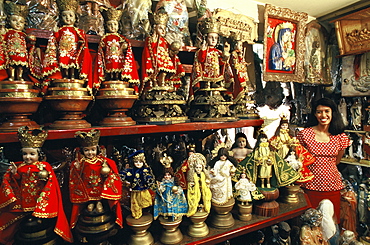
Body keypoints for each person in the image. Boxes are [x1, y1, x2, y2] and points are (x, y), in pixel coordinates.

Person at [0, 126, 73, 244]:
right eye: (25, 154)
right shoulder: (21, 167)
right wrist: (14, 174)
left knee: (36, 218)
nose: (28, 157)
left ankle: (38, 216)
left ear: (39, 155)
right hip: (25, 197)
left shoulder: (43, 167)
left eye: (32, 154)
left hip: (38, 196)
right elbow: (18, 179)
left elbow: (50, 182)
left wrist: (44, 178)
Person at [297, 97, 351, 223]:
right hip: (309, 185)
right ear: (315, 114)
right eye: (319, 112)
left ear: (333, 113)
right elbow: (299, 159)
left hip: (332, 185)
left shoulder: (340, 137)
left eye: (327, 111)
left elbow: (337, 161)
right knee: (309, 222)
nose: (323, 115)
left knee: (331, 223)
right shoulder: (304, 134)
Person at [69, 129, 123, 229]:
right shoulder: (81, 162)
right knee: (89, 199)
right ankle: (90, 202)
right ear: (82, 151)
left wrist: (107, 170)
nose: (90, 153)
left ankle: (99, 202)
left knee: (98, 197)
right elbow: (75, 175)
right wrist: (76, 167)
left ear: (97, 149)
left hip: (99, 184)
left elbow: (110, 171)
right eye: (86, 150)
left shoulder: (101, 161)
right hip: (87, 185)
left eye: (93, 150)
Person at [42, 0, 93, 87]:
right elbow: (55, 39)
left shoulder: (78, 31)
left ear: (75, 17)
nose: (68, 18)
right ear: (61, 18)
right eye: (64, 16)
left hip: (73, 50)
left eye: (70, 15)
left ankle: (72, 75)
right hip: (63, 50)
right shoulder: (60, 30)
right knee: (63, 63)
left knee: (72, 63)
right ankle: (65, 75)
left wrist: (81, 43)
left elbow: (82, 42)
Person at [140, 9, 184, 92]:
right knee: (160, 71)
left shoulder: (165, 41)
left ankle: (162, 83)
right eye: (160, 28)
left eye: (164, 28)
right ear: (154, 28)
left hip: (164, 59)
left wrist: (173, 51)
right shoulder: (150, 39)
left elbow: (169, 50)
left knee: (165, 71)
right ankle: (157, 82)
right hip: (156, 60)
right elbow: (149, 49)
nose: (163, 31)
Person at [97, 7, 139, 86]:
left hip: (118, 56)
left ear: (118, 26)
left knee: (118, 68)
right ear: (106, 26)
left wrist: (125, 46)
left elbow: (127, 45)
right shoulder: (105, 37)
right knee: (109, 68)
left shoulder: (121, 37)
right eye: (110, 24)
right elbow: (101, 48)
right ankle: (110, 77)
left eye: (115, 24)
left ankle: (118, 77)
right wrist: (102, 46)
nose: (113, 27)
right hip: (109, 56)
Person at [2, 1, 41, 82]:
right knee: (11, 65)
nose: (18, 24)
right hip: (11, 51)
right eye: (14, 20)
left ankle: (19, 76)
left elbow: (28, 44)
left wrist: (31, 40)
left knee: (20, 66)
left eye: (21, 22)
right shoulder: (8, 32)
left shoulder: (23, 34)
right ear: (9, 21)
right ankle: (11, 76)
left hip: (21, 52)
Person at [120, 150, 155, 219]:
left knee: (145, 201)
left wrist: (148, 179)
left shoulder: (145, 170)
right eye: (136, 162)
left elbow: (148, 176)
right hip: (134, 190)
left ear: (143, 162)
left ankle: (145, 211)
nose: (138, 164)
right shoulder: (132, 170)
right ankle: (136, 214)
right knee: (135, 203)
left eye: (140, 162)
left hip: (142, 189)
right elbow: (126, 173)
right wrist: (123, 175)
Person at [186, 153, 212, 217]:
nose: (198, 169)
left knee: (203, 199)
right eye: (197, 167)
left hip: (203, 190)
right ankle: (195, 208)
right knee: (195, 199)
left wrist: (207, 182)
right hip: (195, 191)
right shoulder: (192, 175)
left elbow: (208, 180)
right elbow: (189, 183)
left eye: (200, 167)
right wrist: (191, 184)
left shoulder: (204, 174)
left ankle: (202, 207)